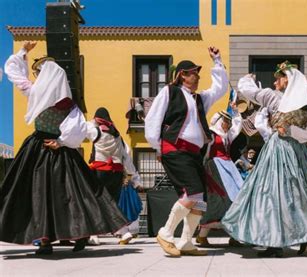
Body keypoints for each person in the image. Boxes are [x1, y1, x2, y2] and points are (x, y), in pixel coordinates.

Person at [0, 42, 128, 254]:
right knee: (73, 194)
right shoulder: (68, 103)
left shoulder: (33, 92)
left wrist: (23, 52)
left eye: (39, 73)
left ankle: (45, 240)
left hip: (38, 147)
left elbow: (12, 70)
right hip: (62, 150)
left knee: (38, 194)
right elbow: (76, 130)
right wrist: (60, 142)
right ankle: (79, 235)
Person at [222, 61, 307, 258]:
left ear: (288, 80)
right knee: (282, 194)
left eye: (278, 78)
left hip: (284, 151)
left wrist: (247, 80)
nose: (275, 83)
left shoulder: (296, 105)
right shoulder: (291, 104)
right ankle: (288, 239)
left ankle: (283, 240)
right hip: (288, 151)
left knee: (281, 194)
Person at [145, 46, 228, 257]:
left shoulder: (199, 99)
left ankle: (186, 242)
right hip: (174, 149)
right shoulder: (169, 92)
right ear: (182, 75)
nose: (198, 77)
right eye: (194, 73)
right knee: (192, 192)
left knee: (200, 199)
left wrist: (217, 61)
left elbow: (220, 88)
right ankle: (165, 232)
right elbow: (153, 119)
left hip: (194, 154)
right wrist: (158, 147)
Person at [86, 107, 143, 245]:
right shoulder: (117, 135)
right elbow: (126, 157)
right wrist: (135, 178)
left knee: (96, 202)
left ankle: (94, 235)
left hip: (100, 172)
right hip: (116, 174)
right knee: (113, 204)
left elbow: (82, 128)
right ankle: (124, 232)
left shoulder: (95, 131)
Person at [196, 110, 244, 247]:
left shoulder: (227, 136)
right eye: (225, 121)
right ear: (218, 121)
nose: (228, 125)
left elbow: (237, 126)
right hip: (214, 169)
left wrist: (235, 112)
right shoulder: (210, 135)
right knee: (217, 202)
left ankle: (234, 236)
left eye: (228, 122)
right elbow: (202, 152)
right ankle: (202, 236)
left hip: (228, 169)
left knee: (236, 200)